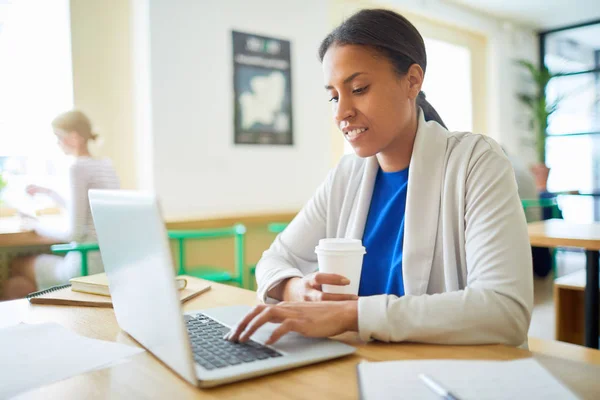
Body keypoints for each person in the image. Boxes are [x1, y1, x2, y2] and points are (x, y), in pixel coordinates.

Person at [225, 9, 533, 346]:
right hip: (361, 365)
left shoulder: (476, 161)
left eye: (358, 88)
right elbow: (274, 259)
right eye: (333, 95)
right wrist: (296, 288)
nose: (341, 112)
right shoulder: (346, 176)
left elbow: (505, 310)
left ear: (412, 81)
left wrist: (350, 314)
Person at [2, 110, 120, 300]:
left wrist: (36, 225)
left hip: (83, 265)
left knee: (17, 265)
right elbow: (89, 212)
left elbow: (74, 233)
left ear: (73, 138)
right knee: (26, 281)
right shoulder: (106, 165)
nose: (58, 144)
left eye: (59, 137)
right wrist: (50, 193)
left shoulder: (78, 167)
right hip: (108, 263)